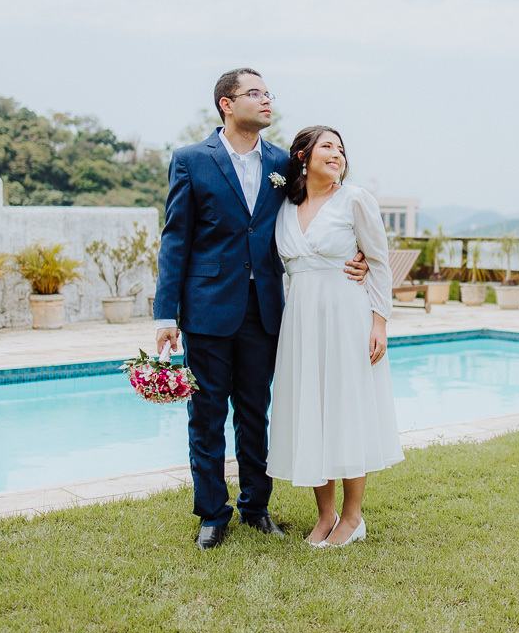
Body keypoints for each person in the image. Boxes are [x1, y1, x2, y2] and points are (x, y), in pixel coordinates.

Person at [154, 70, 367, 551]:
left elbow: (316, 207)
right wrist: (166, 316)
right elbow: (175, 238)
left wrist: (354, 260)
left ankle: (256, 507)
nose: (266, 100)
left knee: (256, 412)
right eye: (255, 93)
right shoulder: (191, 160)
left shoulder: (281, 163)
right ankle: (212, 513)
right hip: (207, 307)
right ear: (227, 104)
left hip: (268, 309)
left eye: (268, 93)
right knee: (205, 414)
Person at [266, 125, 405, 547]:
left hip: (347, 316)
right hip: (302, 321)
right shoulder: (284, 206)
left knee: (346, 409)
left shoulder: (355, 199)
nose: (337, 154)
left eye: (341, 149)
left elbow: (379, 263)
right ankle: (325, 515)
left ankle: (352, 517)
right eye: (327, 146)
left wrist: (379, 322)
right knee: (314, 409)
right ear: (302, 157)